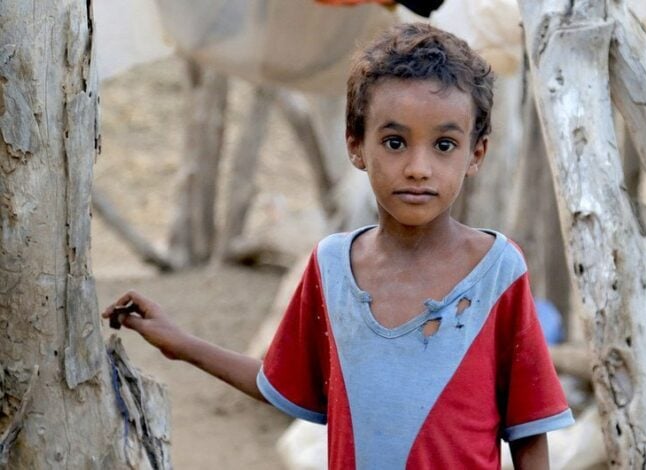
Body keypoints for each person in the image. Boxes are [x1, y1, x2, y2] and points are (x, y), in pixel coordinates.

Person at [102, 22, 574, 469]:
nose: (418, 168)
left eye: (444, 145)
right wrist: (181, 344)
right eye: (394, 142)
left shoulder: (496, 272)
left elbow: (529, 431)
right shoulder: (332, 268)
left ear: (476, 153)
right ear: (355, 145)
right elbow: (279, 383)